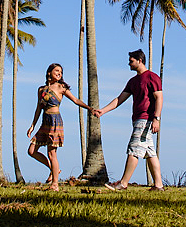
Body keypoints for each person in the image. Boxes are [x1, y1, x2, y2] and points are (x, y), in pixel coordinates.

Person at [93, 48, 163, 191]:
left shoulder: (152, 77)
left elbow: (159, 98)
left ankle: (123, 183)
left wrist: (156, 118)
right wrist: (103, 111)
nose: (129, 64)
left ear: (140, 61)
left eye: (131, 61)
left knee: (134, 150)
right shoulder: (133, 81)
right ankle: (159, 185)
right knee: (150, 153)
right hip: (137, 119)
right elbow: (119, 99)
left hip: (146, 119)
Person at [26, 62, 90, 191]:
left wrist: (89, 108)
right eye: (57, 71)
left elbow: (75, 100)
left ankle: (55, 184)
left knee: (52, 153)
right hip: (45, 122)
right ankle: (54, 169)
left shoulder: (61, 87)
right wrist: (33, 125)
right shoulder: (41, 90)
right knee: (32, 151)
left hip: (55, 122)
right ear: (49, 72)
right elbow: (39, 107)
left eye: (61, 72)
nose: (59, 73)